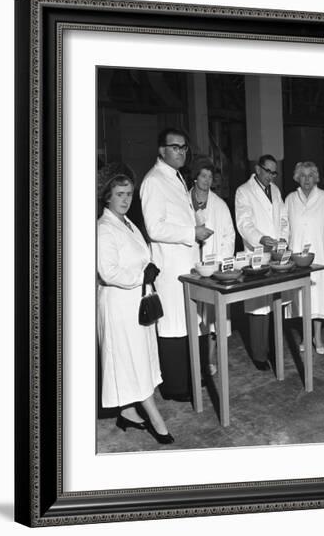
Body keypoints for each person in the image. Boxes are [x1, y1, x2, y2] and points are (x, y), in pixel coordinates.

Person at [97, 166, 174, 444]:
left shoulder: (128, 222)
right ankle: (155, 418)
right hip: (118, 305)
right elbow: (108, 271)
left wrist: (148, 267)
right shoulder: (104, 229)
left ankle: (128, 411)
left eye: (129, 194)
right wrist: (141, 275)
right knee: (130, 359)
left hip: (136, 302)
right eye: (119, 194)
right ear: (107, 196)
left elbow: (138, 256)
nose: (125, 199)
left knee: (137, 357)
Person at [140, 128, 214, 402]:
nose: (181, 152)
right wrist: (190, 233)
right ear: (161, 150)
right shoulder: (153, 181)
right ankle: (175, 387)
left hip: (186, 263)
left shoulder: (176, 177)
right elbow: (155, 227)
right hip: (170, 268)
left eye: (184, 147)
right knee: (173, 326)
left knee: (189, 324)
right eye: (175, 147)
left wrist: (195, 226)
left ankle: (191, 379)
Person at [235, 154, 289, 370]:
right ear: (257, 169)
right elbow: (244, 222)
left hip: (276, 253)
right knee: (259, 307)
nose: (270, 176)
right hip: (256, 252)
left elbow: (283, 218)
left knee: (276, 302)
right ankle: (259, 355)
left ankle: (275, 350)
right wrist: (260, 238)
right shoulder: (243, 191)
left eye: (274, 172)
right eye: (267, 171)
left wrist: (284, 237)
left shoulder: (275, 190)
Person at [284, 161, 324, 355]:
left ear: (316, 178)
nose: (307, 179)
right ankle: (305, 336)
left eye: (310, 175)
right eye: (303, 175)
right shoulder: (291, 199)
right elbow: (285, 229)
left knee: (319, 299)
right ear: (297, 178)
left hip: (321, 257)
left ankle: (317, 337)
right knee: (302, 298)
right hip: (297, 257)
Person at [190, 156, 236, 375]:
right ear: (196, 176)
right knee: (192, 315)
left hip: (214, 267)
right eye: (203, 175)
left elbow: (229, 235)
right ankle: (193, 360)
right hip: (190, 267)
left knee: (212, 317)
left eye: (210, 176)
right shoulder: (182, 200)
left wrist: (221, 262)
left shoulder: (219, 204)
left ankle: (209, 359)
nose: (207, 180)